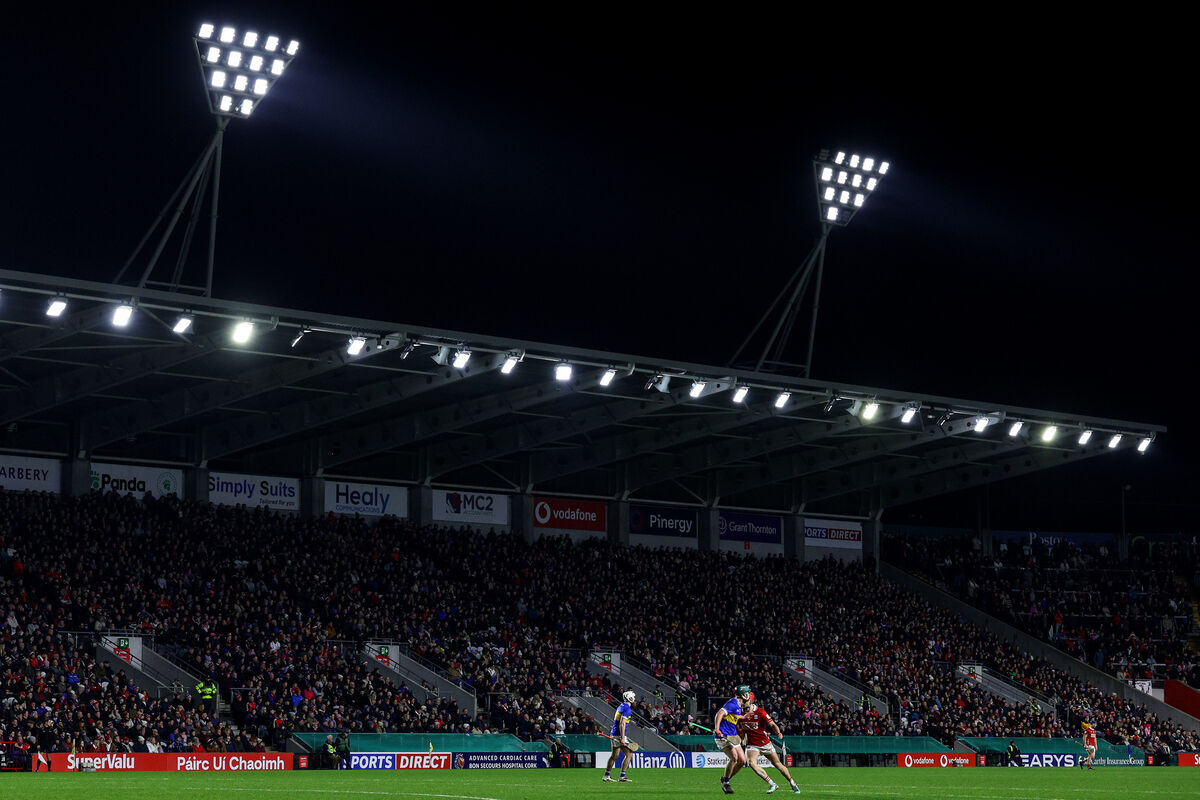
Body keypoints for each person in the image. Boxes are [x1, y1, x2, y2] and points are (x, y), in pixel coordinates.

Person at [739, 697, 800, 794]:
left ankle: (792, 783)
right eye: (742, 701)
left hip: (764, 743)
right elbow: (737, 727)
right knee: (752, 763)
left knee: (777, 764)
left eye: (744, 701)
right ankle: (772, 784)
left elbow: (772, 724)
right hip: (752, 744)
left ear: (750, 701)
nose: (742, 703)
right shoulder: (739, 713)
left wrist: (778, 733)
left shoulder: (760, 712)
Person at [713, 684, 752, 795]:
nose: (749, 696)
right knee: (734, 757)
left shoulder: (738, 705)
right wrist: (717, 728)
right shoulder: (733, 703)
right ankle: (726, 783)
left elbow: (734, 715)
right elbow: (719, 713)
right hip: (723, 736)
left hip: (733, 736)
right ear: (743, 695)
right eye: (747, 693)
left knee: (742, 761)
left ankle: (726, 778)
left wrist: (743, 717)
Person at [602, 690, 636, 783]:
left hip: (614, 733)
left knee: (614, 756)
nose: (634, 699)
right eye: (633, 697)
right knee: (629, 755)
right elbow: (622, 723)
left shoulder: (621, 706)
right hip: (619, 735)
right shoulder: (627, 709)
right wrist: (623, 737)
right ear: (630, 698)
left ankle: (606, 776)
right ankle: (622, 776)